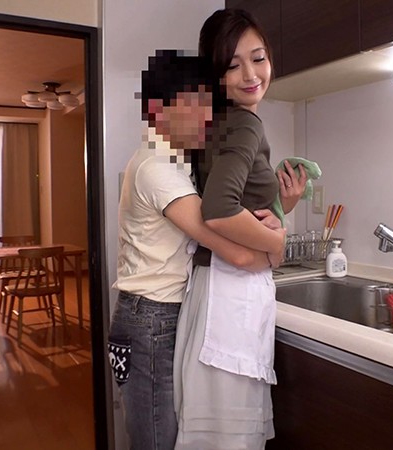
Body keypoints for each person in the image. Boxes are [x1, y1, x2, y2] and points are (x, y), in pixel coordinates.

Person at [108, 50, 280, 450]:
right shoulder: (158, 167)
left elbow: (237, 223)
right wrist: (277, 248)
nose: (206, 116)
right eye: (194, 105)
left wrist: (275, 211)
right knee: (157, 441)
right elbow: (232, 249)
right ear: (157, 110)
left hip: (155, 313)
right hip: (150, 317)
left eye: (208, 104)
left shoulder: (175, 160)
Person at [173, 9, 307, 449]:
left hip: (215, 288)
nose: (251, 74)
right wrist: (277, 243)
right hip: (229, 293)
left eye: (258, 58)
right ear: (216, 75)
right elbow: (218, 209)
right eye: (233, 65)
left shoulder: (219, 123)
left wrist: (282, 206)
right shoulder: (245, 123)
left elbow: (237, 206)